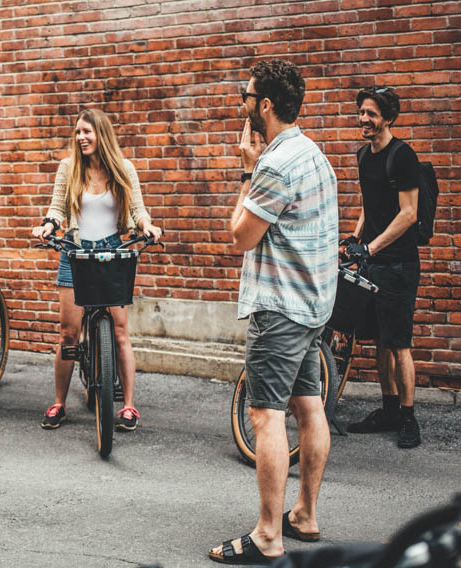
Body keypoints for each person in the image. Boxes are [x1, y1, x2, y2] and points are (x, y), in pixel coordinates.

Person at [208, 60, 338, 564]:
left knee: (265, 416)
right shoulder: (314, 154)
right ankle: (303, 514)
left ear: (264, 105)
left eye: (246, 96)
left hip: (280, 309)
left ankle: (268, 535)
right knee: (309, 407)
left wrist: (246, 169)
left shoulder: (276, 164)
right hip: (312, 307)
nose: (241, 104)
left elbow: (240, 236)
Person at [32, 108, 163, 432]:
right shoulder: (69, 168)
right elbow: (57, 208)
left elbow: (138, 210)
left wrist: (147, 225)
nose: (81, 137)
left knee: (120, 331)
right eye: (77, 132)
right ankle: (59, 402)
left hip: (113, 251)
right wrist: (48, 225)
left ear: (101, 134)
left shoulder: (123, 168)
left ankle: (129, 406)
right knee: (68, 334)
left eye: (87, 132)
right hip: (75, 251)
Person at [342, 86, 422, 449]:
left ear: (388, 118)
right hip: (373, 263)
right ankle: (388, 409)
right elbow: (369, 205)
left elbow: (408, 214)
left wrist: (370, 247)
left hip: (399, 265)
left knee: (399, 343)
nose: (364, 119)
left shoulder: (402, 156)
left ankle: (408, 417)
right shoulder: (363, 156)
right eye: (362, 112)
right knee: (379, 342)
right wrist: (354, 237)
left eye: (372, 114)